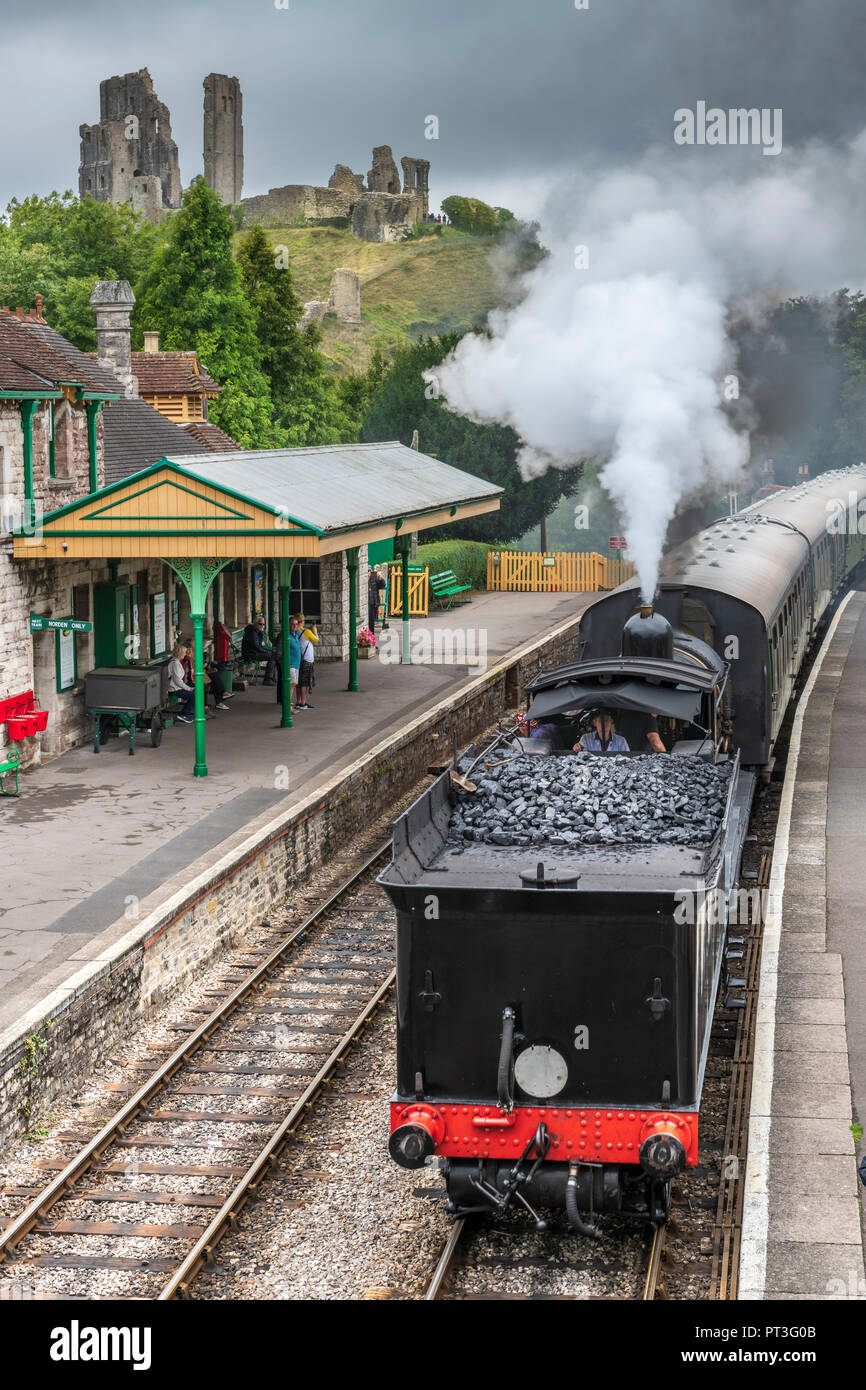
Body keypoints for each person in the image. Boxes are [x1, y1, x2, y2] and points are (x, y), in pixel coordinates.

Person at [242, 616, 280, 686]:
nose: (262, 626)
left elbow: (259, 646)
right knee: (273, 656)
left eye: (263, 624)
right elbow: (256, 646)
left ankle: (273, 678)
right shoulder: (252, 632)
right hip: (250, 654)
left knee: (274, 655)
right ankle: (268, 679)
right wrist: (267, 651)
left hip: (254, 652)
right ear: (255, 623)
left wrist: (268, 650)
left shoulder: (257, 632)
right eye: (260, 624)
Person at [167, 642, 196, 723]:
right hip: (174, 690)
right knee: (195, 695)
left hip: (177, 687)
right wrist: (188, 688)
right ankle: (184, 714)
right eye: (184, 652)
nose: (185, 654)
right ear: (180, 653)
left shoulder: (177, 662)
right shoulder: (175, 663)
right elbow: (177, 681)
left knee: (197, 692)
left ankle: (187, 712)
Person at [296, 614, 318, 710]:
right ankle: (303, 703)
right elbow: (316, 639)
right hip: (307, 660)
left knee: (298, 681)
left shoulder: (296, 631)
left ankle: (298, 701)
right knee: (304, 682)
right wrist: (314, 630)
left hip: (299, 659)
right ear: (302, 621)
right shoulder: (307, 632)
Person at [368, 566, 386, 631]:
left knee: (372, 622)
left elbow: (382, 585)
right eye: (367, 571)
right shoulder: (363, 579)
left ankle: (371, 636)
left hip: (373, 603)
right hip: (366, 603)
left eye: (369, 571)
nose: (368, 573)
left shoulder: (374, 578)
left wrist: (380, 579)